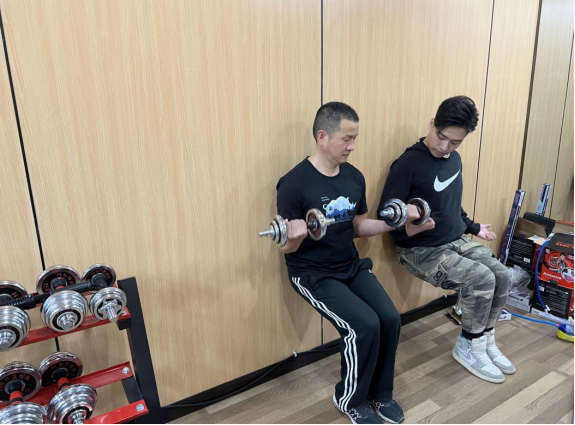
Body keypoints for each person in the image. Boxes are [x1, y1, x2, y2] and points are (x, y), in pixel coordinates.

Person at [277, 102, 417, 424]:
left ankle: (380, 393)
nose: (353, 146)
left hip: (350, 265)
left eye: (356, 138)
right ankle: (349, 399)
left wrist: (393, 222)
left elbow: (358, 227)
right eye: (347, 139)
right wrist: (295, 235)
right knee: (362, 325)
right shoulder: (293, 183)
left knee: (389, 318)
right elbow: (286, 247)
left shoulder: (354, 177)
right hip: (312, 274)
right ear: (322, 136)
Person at [377, 96, 513, 384]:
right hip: (420, 250)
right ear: (431, 124)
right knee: (481, 279)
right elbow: (387, 218)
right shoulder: (408, 164)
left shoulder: (454, 160)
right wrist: (413, 229)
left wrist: (474, 227)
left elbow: (452, 204)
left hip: (455, 241)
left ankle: (485, 340)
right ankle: (468, 345)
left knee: (502, 275)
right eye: (441, 137)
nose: (444, 147)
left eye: (454, 142)